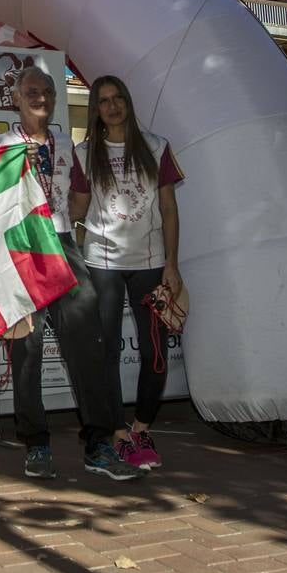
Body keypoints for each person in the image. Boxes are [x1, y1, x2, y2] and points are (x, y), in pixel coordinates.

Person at [0, 68, 139, 482]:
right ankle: (36, 444)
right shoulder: (2, 144)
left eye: (47, 92)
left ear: (55, 99)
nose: (40, 98)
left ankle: (99, 446)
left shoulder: (65, 143)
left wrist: (61, 222)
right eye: (31, 92)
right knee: (27, 351)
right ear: (17, 100)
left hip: (61, 243)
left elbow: (79, 196)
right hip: (22, 249)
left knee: (88, 349)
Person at [76, 75, 185, 470]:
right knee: (104, 352)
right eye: (103, 100)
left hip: (151, 262)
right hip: (102, 262)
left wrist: (171, 264)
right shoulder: (84, 151)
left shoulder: (156, 146)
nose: (112, 105)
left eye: (118, 97)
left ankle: (141, 428)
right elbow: (77, 207)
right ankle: (118, 433)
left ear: (128, 102)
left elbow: (169, 209)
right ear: (96, 110)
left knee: (155, 350)